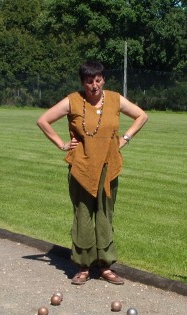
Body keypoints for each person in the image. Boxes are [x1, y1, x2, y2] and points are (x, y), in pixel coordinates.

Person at [36, 61, 148, 285]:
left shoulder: (115, 99)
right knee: (83, 217)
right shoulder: (73, 100)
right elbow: (43, 120)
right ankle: (83, 266)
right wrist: (61, 144)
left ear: (103, 79)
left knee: (105, 216)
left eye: (98, 80)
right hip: (81, 168)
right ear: (82, 82)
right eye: (89, 81)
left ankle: (106, 266)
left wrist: (124, 139)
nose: (94, 85)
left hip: (108, 167)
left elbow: (141, 116)